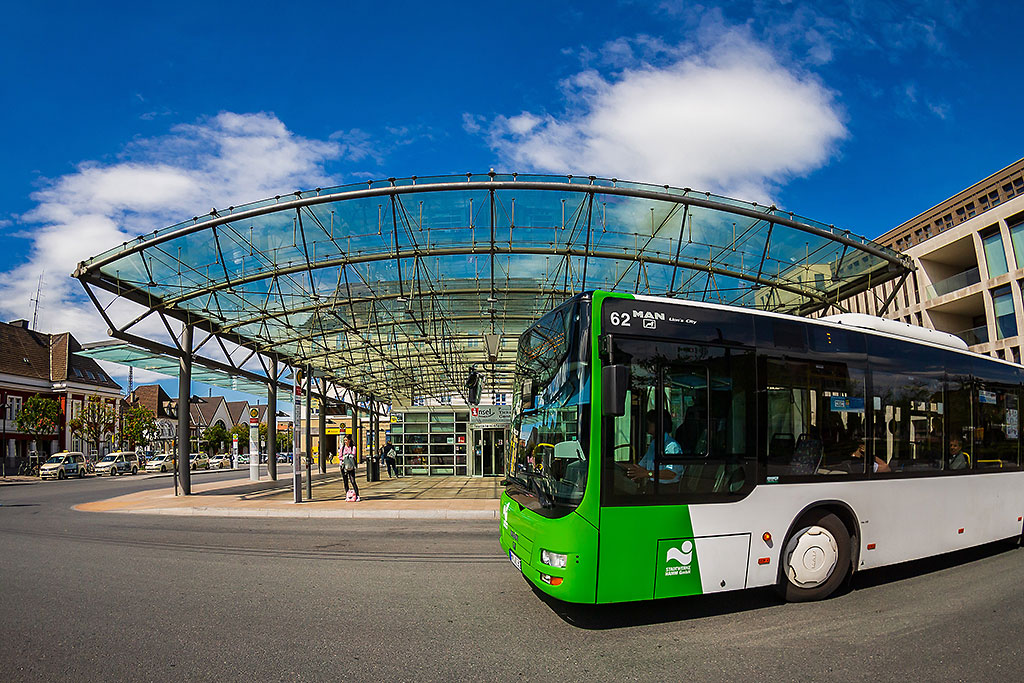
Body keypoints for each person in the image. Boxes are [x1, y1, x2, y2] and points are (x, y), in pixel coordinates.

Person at [625, 410, 684, 485]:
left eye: (648, 423)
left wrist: (648, 474)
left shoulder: (671, 446)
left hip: (666, 489)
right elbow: (640, 466)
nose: (646, 426)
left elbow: (671, 474)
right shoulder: (654, 444)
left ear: (658, 424)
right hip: (652, 485)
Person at [341, 435, 360, 501]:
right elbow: (340, 456)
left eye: (346, 440)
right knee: (345, 481)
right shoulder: (342, 447)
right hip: (343, 466)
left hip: (351, 466)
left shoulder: (353, 447)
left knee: (353, 481)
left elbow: (353, 455)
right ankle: (347, 495)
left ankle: (357, 495)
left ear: (349, 440)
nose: (345, 442)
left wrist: (347, 455)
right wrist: (344, 457)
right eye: (344, 440)